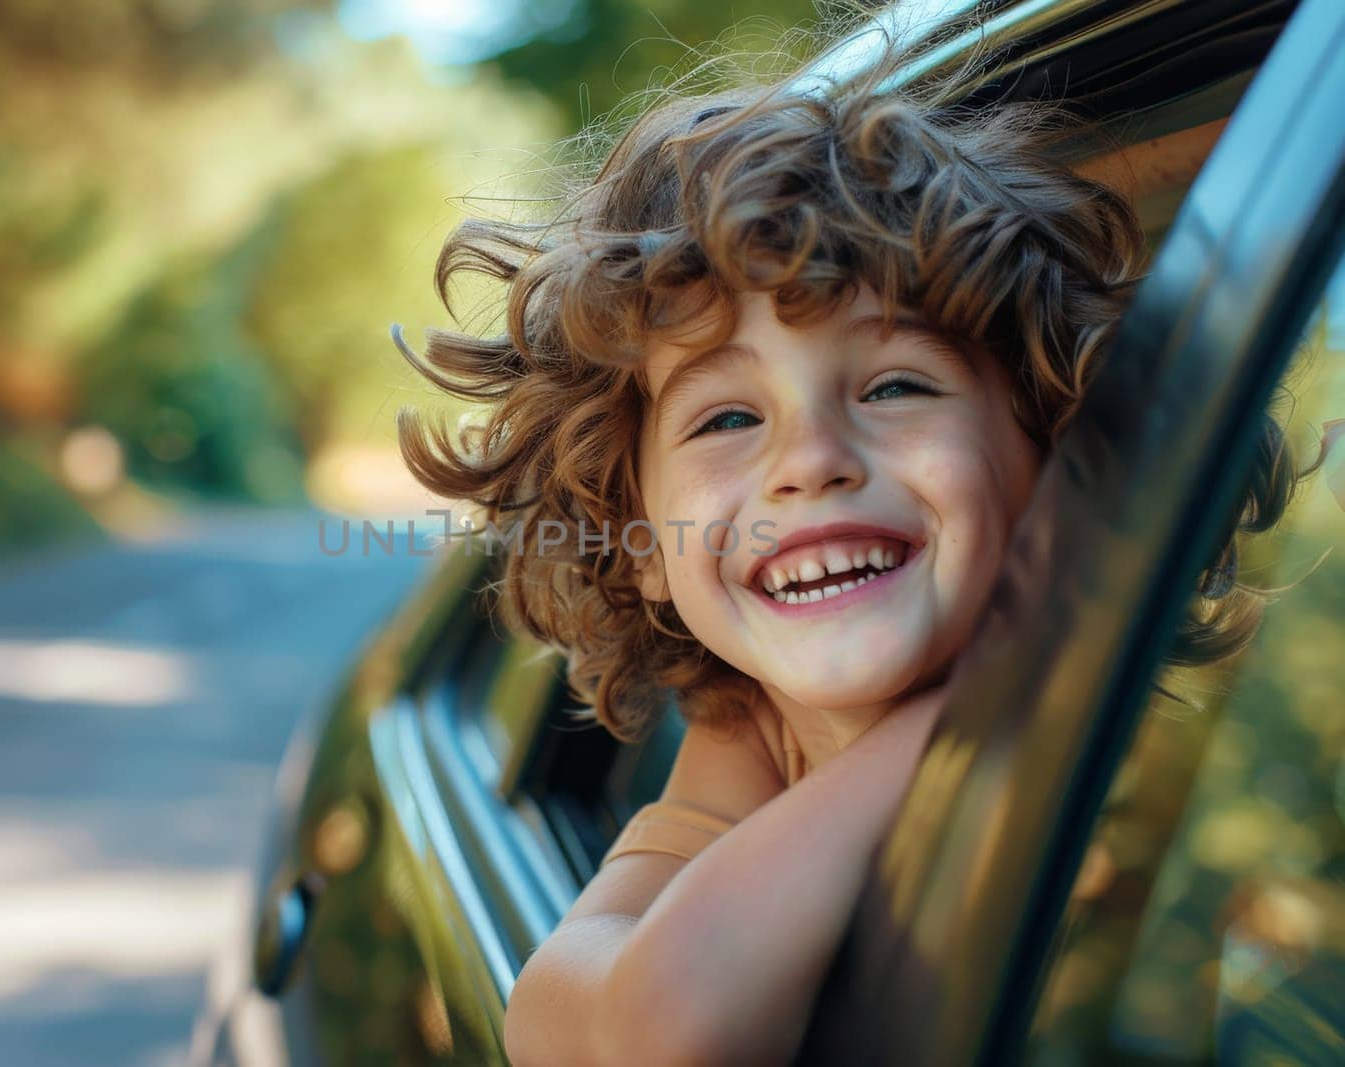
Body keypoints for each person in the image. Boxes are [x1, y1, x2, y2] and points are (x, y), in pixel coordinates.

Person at [391, 12, 1310, 1066]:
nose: (810, 457)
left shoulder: (1168, 762)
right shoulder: (735, 747)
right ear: (640, 538)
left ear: (1050, 460)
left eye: (894, 385)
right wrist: (990, 694)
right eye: (726, 416)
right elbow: (658, 1027)